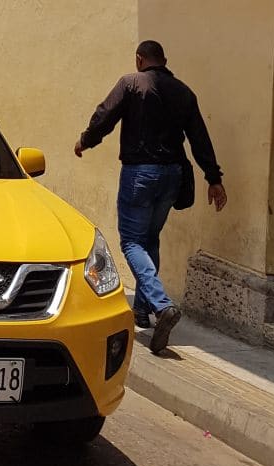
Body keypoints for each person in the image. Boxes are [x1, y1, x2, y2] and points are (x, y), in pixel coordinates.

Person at [74, 40, 228, 354]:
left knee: (131, 241)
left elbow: (105, 115)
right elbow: (199, 137)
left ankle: (160, 305)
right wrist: (214, 178)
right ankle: (141, 311)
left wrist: (86, 140)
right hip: (172, 176)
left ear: (139, 59)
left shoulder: (131, 83)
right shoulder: (184, 92)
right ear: (165, 60)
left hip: (139, 175)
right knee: (150, 239)